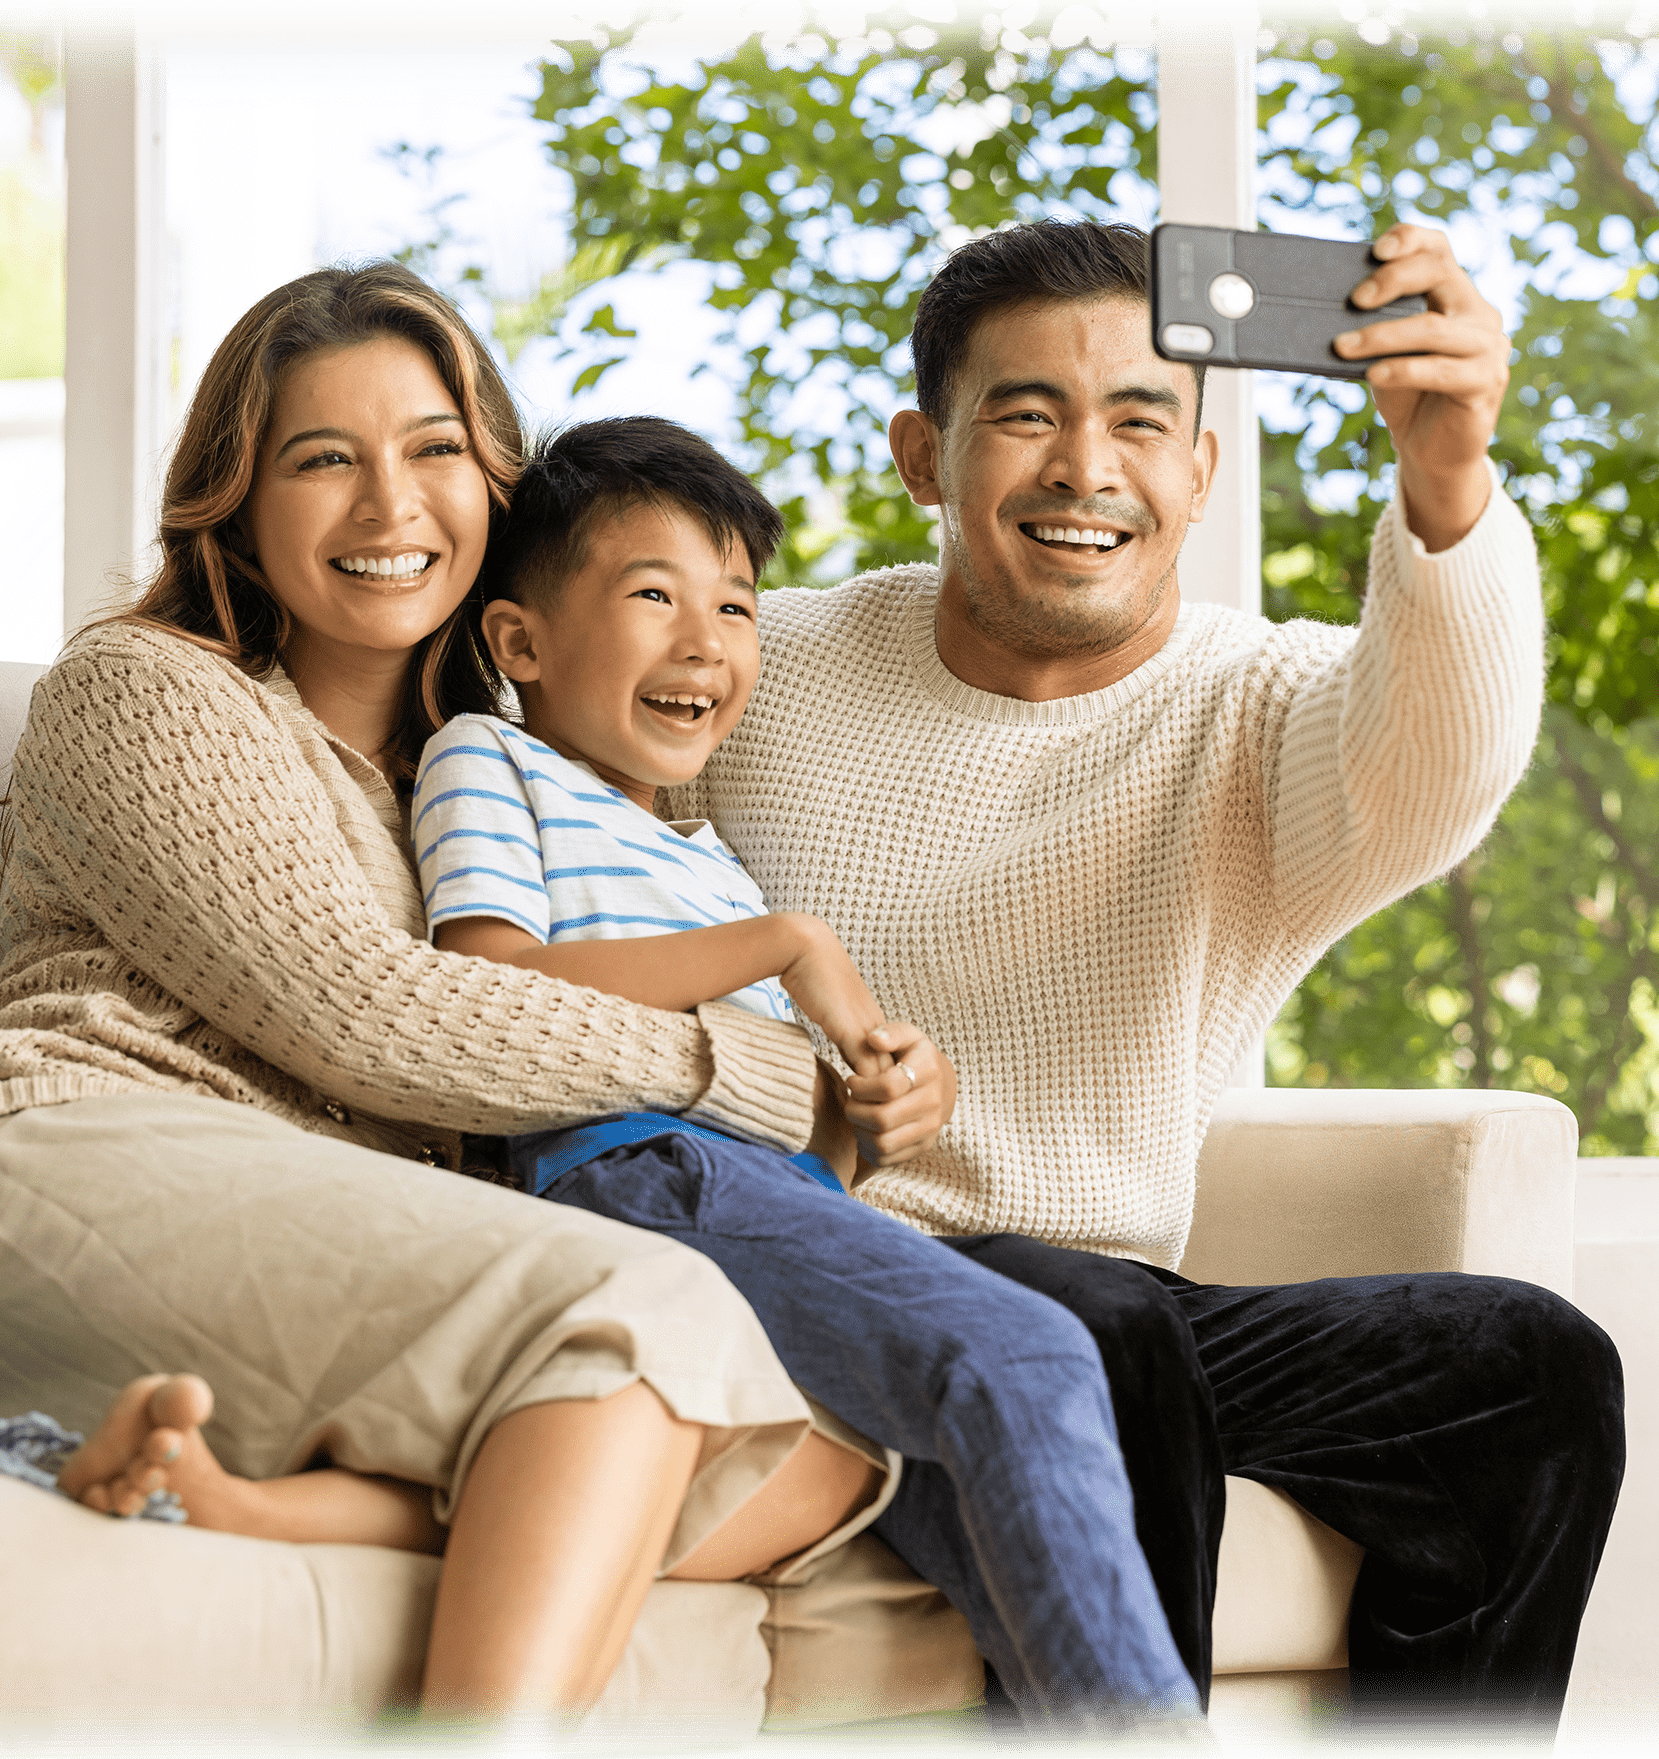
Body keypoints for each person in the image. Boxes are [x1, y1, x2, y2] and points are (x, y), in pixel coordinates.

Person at [0, 261, 910, 1750]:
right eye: (323, 458)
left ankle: (251, 1506)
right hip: (40, 1158)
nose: (388, 505)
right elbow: (379, 1021)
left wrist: (852, 1111)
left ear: (498, 487)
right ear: (236, 497)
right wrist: (759, 1063)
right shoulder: (150, 688)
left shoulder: (501, 798)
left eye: (433, 451)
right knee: (645, 1317)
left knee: (812, 1460)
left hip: (291, 1241)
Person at [669, 218, 1628, 1739]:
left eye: (1137, 421)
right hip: (822, 1287)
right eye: (1026, 414)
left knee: (1527, 1367)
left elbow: (1439, 766)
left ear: (1202, 468)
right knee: (1100, 1333)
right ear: (927, 456)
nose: (1083, 467)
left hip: (1117, 1298)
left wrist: (1446, 477)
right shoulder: (762, 665)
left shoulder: (1254, 708)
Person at [409, 414, 1204, 1739]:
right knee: (1025, 1351)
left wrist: (874, 1119)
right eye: (653, 594)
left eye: (735, 606)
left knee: (963, 1491)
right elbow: (493, 989)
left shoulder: (706, 850)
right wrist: (790, 941)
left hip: (751, 1195)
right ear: (521, 643)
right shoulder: (493, 760)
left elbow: (797, 1155)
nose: (705, 641)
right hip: (626, 1177)